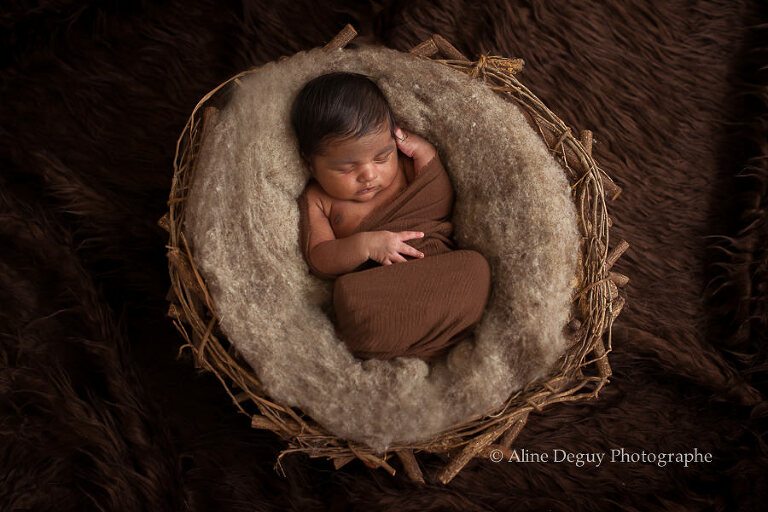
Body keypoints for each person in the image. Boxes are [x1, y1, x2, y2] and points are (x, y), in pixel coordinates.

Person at [293, 71, 491, 361]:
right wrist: (365, 246)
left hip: (437, 272)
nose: (369, 175)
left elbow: (438, 205)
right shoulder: (318, 199)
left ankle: (421, 344)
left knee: (476, 268)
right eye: (347, 169)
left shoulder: (406, 166)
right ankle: (426, 344)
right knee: (348, 297)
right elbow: (320, 258)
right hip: (381, 294)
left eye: (381, 157)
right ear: (310, 163)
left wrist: (425, 153)